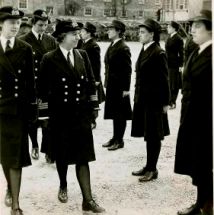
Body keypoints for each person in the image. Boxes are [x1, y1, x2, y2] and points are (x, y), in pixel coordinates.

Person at [38, 20, 105, 213]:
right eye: (73, 34)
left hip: (80, 115)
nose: (77, 37)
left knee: (83, 157)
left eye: (78, 34)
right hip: (60, 116)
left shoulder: (82, 55)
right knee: (62, 155)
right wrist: (44, 116)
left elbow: (91, 83)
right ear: (62, 37)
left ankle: (88, 200)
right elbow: (41, 90)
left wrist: (94, 106)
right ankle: (63, 184)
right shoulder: (49, 58)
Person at [174, 10, 212, 215]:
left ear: (211, 30)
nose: (192, 30)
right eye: (193, 25)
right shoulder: (197, 51)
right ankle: (201, 203)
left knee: (206, 164)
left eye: (199, 26)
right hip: (192, 117)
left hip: (206, 121)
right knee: (198, 163)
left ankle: (207, 205)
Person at [0, 6, 37, 215]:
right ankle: (8, 186)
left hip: (16, 111)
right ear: (1, 24)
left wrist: (33, 115)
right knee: (4, 155)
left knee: (14, 158)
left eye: (18, 23)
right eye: (11, 22)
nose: (15, 26)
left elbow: (31, 85)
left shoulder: (25, 48)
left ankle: (15, 204)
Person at [131, 19, 170, 182]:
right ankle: (148, 166)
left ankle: (152, 169)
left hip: (154, 101)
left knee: (154, 135)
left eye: (142, 32)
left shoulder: (158, 52)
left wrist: (166, 103)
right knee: (148, 134)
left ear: (152, 34)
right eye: (139, 32)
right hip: (144, 100)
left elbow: (164, 79)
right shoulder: (145, 49)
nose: (139, 35)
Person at [20, 9, 57, 162]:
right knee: (32, 119)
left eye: (45, 25)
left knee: (48, 119)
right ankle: (34, 145)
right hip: (31, 85)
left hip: (47, 86)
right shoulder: (23, 40)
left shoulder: (50, 40)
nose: (43, 28)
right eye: (40, 25)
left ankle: (48, 150)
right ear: (33, 24)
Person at [102, 20, 132, 151]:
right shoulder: (113, 45)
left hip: (120, 86)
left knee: (120, 114)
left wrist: (126, 88)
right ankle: (115, 137)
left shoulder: (123, 47)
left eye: (111, 28)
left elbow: (127, 69)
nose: (108, 31)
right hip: (112, 85)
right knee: (115, 113)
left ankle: (119, 140)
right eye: (108, 28)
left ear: (119, 31)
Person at [80, 22, 105, 129]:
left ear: (89, 33)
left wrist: (96, 79)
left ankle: (92, 121)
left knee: (92, 99)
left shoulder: (93, 45)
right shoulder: (83, 43)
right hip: (84, 76)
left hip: (92, 77)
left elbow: (96, 64)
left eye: (83, 32)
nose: (81, 33)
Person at [165, 21, 184, 109]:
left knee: (174, 84)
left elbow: (181, 53)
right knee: (168, 83)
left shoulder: (178, 38)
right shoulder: (169, 37)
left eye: (169, 27)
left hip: (175, 64)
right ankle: (169, 101)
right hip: (167, 63)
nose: (167, 29)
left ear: (174, 28)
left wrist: (180, 65)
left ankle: (173, 102)